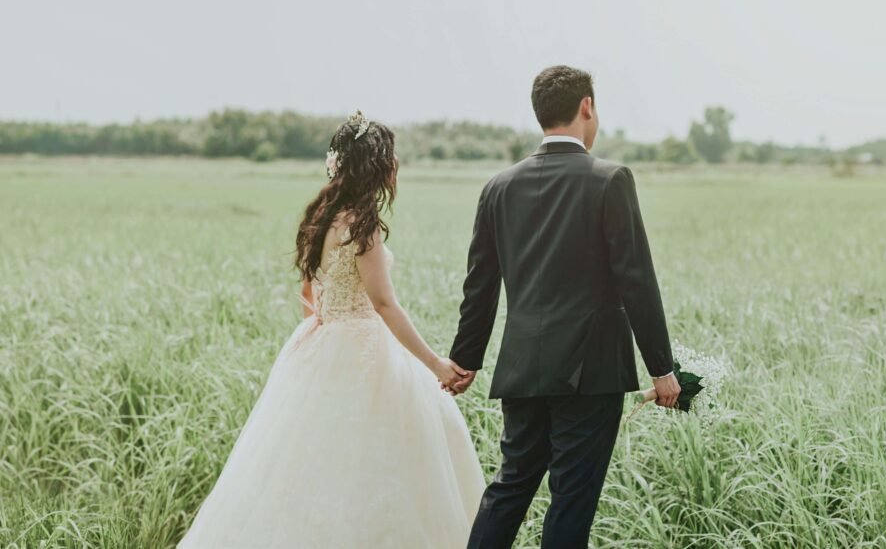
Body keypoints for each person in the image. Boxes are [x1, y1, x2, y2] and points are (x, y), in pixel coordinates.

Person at [178, 111, 485, 548]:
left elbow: (308, 294)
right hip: (362, 345)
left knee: (308, 466)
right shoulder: (363, 226)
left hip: (321, 342)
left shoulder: (321, 216)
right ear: (377, 166)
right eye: (390, 157)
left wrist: (326, 328)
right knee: (379, 465)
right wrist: (436, 364)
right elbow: (384, 304)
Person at [444, 65, 682, 549]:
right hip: (590, 374)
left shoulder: (498, 187)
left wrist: (465, 360)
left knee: (509, 489)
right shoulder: (610, 179)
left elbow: (480, 286)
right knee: (570, 502)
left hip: (521, 369)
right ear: (587, 107)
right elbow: (636, 280)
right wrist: (662, 368)